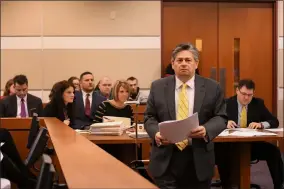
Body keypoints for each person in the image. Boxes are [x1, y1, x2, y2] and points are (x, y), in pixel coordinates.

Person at [144, 42, 227, 189]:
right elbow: (149, 117)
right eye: (179, 60)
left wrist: (206, 129)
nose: (183, 64)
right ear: (173, 63)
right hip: (166, 156)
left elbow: (221, 117)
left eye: (188, 60)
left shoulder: (212, 87)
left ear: (196, 63)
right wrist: (156, 133)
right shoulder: (158, 86)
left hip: (198, 157)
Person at [215, 79, 283, 189]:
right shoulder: (227, 103)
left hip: (252, 145)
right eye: (244, 94)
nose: (246, 98)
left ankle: (279, 185)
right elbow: (214, 120)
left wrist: (261, 124)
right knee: (220, 153)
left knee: (273, 151)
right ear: (237, 91)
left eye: (250, 95)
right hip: (229, 146)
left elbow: (274, 121)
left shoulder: (258, 103)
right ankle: (226, 185)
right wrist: (225, 123)